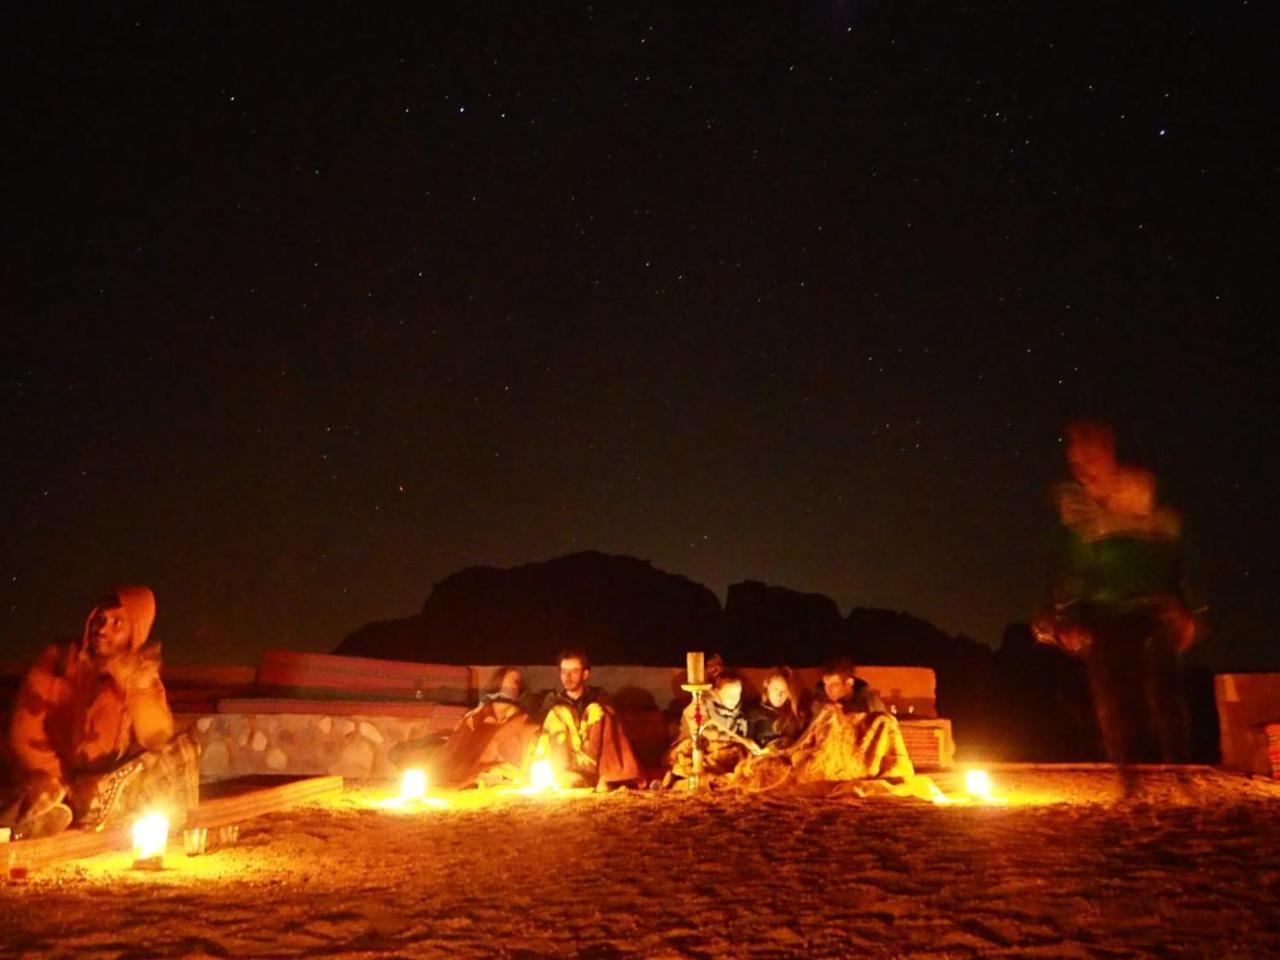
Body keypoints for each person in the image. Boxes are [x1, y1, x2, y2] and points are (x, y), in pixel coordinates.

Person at [1035, 419, 1200, 766]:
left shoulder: (1144, 492)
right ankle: (1128, 776)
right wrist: (1063, 615)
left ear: (1108, 452)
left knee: (1165, 691)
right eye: (1076, 464)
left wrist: (1188, 607)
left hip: (1154, 608)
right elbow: (1070, 567)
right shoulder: (1076, 508)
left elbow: (1176, 553)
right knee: (1113, 699)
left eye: (1089, 459)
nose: (1083, 470)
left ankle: (1178, 769)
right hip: (1105, 613)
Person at [0, 587, 198, 838]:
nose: (103, 629)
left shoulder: (138, 672)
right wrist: (62, 780)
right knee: (42, 794)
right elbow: (23, 731)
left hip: (100, 784)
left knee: (183, 749)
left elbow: (156, 737)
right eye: (100, 619)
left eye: (117, 623)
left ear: (134, 634)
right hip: (50, 777)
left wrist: (137, 687)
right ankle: (31, 821)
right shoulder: (59, 659)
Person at [732, 656, 915, 793]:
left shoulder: (869, 701)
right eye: (826, 684)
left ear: (849, 683)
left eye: (833, 685)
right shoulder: (819, 702)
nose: (828, 690)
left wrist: (843, 718)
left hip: (856, 756)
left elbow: (879, 731)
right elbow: (813, 734)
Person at [390, 666, 539, 788]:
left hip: (485, 762)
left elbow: (521, 731)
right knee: (404, 754)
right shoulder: (482, 710)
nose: (511, 686)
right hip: (456, 753)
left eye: (516, 683)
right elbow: (465, 732)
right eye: (508, 682)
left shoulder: (521, 715)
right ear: (498, 683)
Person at [535, 649, 641, 789]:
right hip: (566, 759)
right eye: (563, 672)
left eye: (574, 671)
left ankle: (609, 776)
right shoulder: (553, 700)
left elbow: (613, 727)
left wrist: (593, 713)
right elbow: (543, 732)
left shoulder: (599, 695)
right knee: (557, 713)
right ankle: (564, 773)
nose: (567, 677)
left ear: (585, 674)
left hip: (594, 758)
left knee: (601, 711)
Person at [663, 671, 760, 785]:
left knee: (742, 756)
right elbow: (704, 731)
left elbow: (740, 732)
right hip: (702, 744)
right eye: (730, 696)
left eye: (737, 695)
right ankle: (685, 776)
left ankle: (722, 777)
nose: (734, 699)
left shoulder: (739, 711)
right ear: (716, 692)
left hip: (728, 748)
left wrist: (744, 741)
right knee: (690, 757)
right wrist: (736, 739)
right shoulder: (700, 704)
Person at [745, 666, 807, 749]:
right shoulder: (754, 712)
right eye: (775, 689)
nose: (779, 695)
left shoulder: (794, 715)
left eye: (784, 691)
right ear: (767, 686)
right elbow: (748, 739)